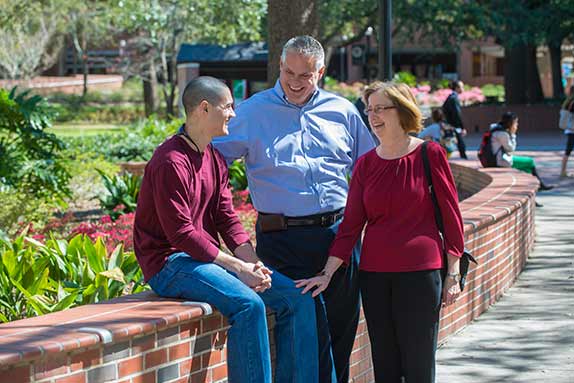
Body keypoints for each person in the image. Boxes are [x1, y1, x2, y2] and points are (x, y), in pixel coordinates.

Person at [133, 76, 318, 383]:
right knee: (248, 305)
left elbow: (227, 219)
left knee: (296, 299)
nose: (234, 113)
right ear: (204, 109)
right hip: (170, 263)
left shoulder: (215, 159)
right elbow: (181, 235)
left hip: (203, 260)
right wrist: (238, 266)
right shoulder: (170, 161)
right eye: (228, 106)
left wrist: (254, 264)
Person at [213, 36, 375, 383]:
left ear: (321, 71)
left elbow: (369, 169)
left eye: (306, 75)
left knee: (340, 331)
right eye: (289, 72)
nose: (296, 82)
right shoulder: (251, 112)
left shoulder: (343, 111)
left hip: (338, 237)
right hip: (281, 238)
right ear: (280, 66)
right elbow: (207, 157)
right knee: (303, 336)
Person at [296, 81, 465, 383]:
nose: (372, 116)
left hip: (420, 275)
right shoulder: (365, 165)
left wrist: (452, 274)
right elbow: (350, 227)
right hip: (373, 276)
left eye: (380, 108)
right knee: (385, 363)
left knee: (418, 362)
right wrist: (327, 272)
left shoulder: (430, 154)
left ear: (401, 110)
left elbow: (452, 218)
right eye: (369, 109)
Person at [490, 111, 554, 191]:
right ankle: (540, 186)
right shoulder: (502, 133)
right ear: (510, 123)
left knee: (527, 170)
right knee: (529, 162)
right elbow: (511, 148)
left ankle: (534, 191)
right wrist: (513, 134)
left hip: (496, 159)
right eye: (516, 123)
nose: (517, 125)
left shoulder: (496, 129)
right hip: (500, 161)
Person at [442, 80, 468, 159]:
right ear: (456, 88)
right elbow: (457, 114)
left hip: (449, 124)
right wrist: (462, 127)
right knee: (460, 143)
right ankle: (464, 158)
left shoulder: (451, 97)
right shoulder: (454, 98)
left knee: (452, 142)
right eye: (461, 87)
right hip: (454, 125)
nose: (463, 89)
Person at [560, 85, 574, 178]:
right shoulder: (572, 102)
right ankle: (563, 171)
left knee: (568, 151)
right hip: (572, 130)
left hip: (569, 130)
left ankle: (563, 171)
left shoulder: (567, 101)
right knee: (568, 151)